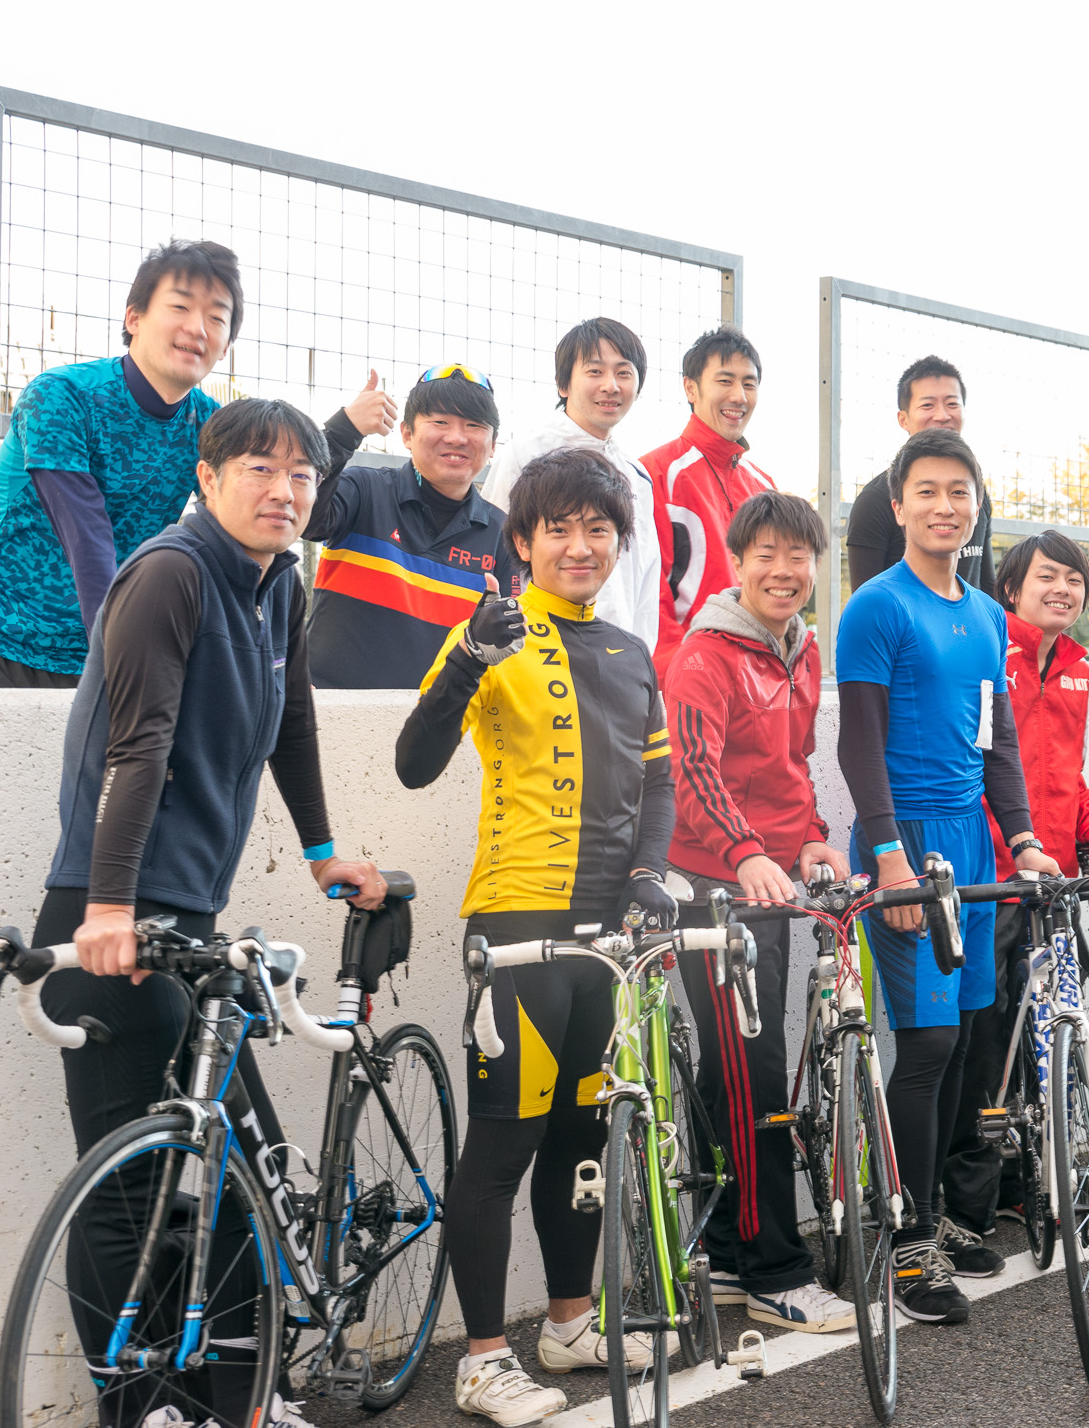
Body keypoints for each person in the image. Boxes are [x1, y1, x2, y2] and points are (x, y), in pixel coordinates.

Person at [33, 396, 390, 1428]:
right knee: (127, 1194)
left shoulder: (278, 578)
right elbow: (133, 747)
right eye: (260, 470)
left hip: (188, 918)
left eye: (302, 476)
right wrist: (107, 907)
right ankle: (141, 1406)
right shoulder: (171, 575)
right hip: (111, 916)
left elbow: (295, 714)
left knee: (235, 1172)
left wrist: (321, 851)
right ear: (208, 474)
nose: (284, 492)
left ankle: (235, 1398)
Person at [395, 446, 677, 1426]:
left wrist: (651, 873)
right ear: (521, 542)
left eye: (597, 527)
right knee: (504, 1144)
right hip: (518, 924)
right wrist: (470, 653)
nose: (579, 544)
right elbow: (415, 762)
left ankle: (567, 1322)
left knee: (585, 1134)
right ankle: (480, 1361)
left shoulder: (633, 654)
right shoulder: (492, 633)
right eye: (557, 527)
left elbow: (660, 785)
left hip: (611, 935)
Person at [833, 427, 1057, 1324]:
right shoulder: (875, 609)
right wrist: (885, 853)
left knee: (963, 1038)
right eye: (926, 491)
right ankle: (907, 1241)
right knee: (923, 1046)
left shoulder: (987, 615)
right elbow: (858, 743)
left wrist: (1027, 838)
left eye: (959, 492)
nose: (944, 506)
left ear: (976, 507)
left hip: (971, 844)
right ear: (899, 507)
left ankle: (929, 1212)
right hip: (906, 843)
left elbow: (994, 742)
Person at [661, 490, 856, 1335]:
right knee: (753, 1073)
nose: (785, 571)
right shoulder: (705, 654)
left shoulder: (801, 650)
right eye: (766, 555)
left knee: (738, 1068)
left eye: (799, 557)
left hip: (775, 884)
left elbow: (794, 765)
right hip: (716, 888)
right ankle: (778, 1267)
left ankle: (736, 1253)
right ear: (736, 564)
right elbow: (693, 773)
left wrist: (810, 837)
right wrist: (747, 854)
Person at [0, 240, 231, 687]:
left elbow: (260, 502)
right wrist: (131, 662)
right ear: (134, 317)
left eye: (216, 318)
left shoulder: (210, 426)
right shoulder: (62, 396)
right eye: (180, 306)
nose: (198, 328)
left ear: (226, 345)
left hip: (108, 655)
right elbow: (87, 534)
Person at [941, 530, 1089, 1239]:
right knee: (988, 1040)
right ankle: (972, 1203)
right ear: (1010, 589)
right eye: (1048, 577)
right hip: (995, 878)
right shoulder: (993, 651)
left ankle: (1030, 1181)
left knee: (1049, 1034)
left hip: (1054, 881)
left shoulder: (1076, 665)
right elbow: (978, 765)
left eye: (1074, 579)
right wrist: (1008, 849)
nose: (1064, 590)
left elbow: (1062, 773)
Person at [304, 363, 524, 687]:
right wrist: (343, 429)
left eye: (474, 425)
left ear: (493, 446)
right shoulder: (365, 490)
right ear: (407, 433)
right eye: (440, 422)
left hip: (438, 727)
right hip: (333, 717)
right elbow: (304, 517)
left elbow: (508, 648)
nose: (457, 437)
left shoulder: (502, 535)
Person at [484, 318, 661, 639]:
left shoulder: (638, 476)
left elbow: (645, 582)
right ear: (563, 384)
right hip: (534, 652)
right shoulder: (525, 454)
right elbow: (494, 556)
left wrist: (642, 659)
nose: (611, 385)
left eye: (624, 373)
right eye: (595, 371)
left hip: (616, 656)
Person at [642, 326, 777, 679]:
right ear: (691, 387)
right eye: (725, 381)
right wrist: (688, 670)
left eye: (749, 384)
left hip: (756, 678)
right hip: (686, 681)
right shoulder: (652, 474)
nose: (739, 396)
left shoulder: (764, 486)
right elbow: (647, 596)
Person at [845, 356, 996, 595]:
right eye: (927, 405)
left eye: (952, 404)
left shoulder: (976, 492)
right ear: (903, 419)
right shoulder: (874, 500)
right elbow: (866, 600)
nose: (942, 415)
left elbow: (987, 585)